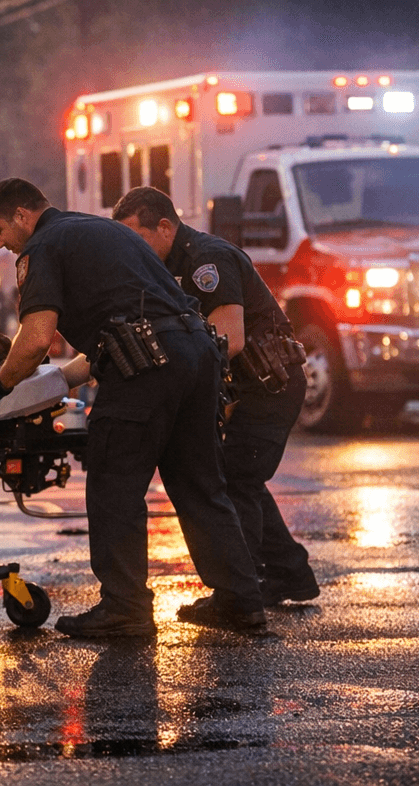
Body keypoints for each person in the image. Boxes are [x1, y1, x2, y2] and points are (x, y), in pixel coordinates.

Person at [0, 177, 265, 638]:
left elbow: (34, 340)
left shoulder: (44, 245)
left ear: (22, 215)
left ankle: (125, 608)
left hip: (144, 367)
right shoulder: (101, 231)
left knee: (115, 484)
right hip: (197, 353)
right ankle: (241, 600)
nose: (0, 244)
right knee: (201, 487)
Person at [112, 186, 319, 609]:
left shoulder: (207, 260)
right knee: (240, 476)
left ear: (165, 226)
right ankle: (289, 573)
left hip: (267, 382)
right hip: (242, 386)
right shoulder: (164, 264)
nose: (133, 248)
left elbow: (231, 339)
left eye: (137, 236)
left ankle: (239, 591)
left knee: (235, 479)